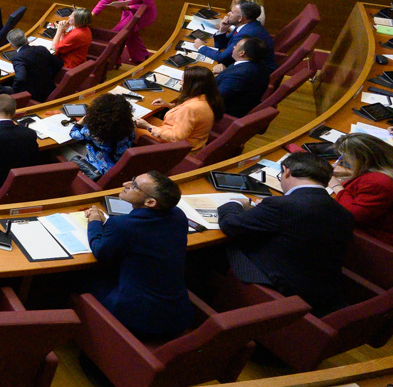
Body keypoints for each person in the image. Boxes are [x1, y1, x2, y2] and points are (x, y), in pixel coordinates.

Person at [219, 153, 353, 315]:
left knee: (223, 246)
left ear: (286, 171)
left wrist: (234, 204)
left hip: (280, 287)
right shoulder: (344, 213)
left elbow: (230, 225)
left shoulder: (282, 205)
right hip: (321, 291)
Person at [82, 172, 193, 341]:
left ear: (150, 202)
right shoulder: (178, 216)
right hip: (176, 315)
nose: (126, 183)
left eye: (134, 185)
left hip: (138, 319)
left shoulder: (122, 225)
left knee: (78, 279)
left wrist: (95, 222)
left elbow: (101, 253)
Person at [136, 64, 221, 151]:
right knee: (148, 118)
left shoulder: (191, 109)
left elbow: (176, 138)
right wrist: (169, 105)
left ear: (193, 85)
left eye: (183, 80)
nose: (180, 82)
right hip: (191, 139)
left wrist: (148, 127)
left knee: (132, 128)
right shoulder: (208, 97)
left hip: (178, 148)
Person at [331, 133, 393, 243]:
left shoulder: (378, 183)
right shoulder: (386, 165)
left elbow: (352, 216)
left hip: (378, 239)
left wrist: (336, 186)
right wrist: (351, 174)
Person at [92, 0, 157, 64]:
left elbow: (148, 5)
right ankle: (141, 56)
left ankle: (113, 60)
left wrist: (130, 7)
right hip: (127, 13)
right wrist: (93, 13)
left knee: (117, 34)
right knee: (130, 34)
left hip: (142, 14)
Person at [68, 93, 136, 178]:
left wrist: (86, 117)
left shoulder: (92, 131)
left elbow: (73, 134)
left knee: (60, 149)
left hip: (99, 170)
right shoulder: (130, 126)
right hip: (119, 166)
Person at [199, 0, 276, 70]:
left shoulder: (247, 33)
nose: (228, 13)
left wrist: (201, 47)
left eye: (232, 12)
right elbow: (222, 45)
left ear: (240, 18)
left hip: (254, 72)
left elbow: (221, 57)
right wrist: (222, 30)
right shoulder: (245, 24)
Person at [215, 36, 273, 118]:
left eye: (236, 45)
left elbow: (214, 99)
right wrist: (224, 72)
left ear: (241, 53)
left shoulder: (238, 76)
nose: (234, 47)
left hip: (220, 113)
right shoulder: (259, 65)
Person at [7, 29, 61, 104]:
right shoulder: (41, 49)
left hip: (33, 95)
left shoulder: (17, 58)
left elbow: (20, 78)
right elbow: (58, 64)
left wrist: (14, 92)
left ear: (11, 45)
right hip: (50, 87)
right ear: (27, 40)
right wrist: (50, 76)